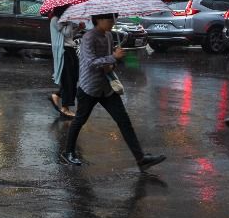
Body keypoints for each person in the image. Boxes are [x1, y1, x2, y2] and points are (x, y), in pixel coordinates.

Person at [59, 13, 165, 171]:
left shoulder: (108, 35)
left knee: (124, 121)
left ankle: (141, 159)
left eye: (114, 19)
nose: (112, 22)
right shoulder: (89, 37)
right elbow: (91, 62)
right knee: (80, 120)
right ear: (98, 20)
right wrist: (112, 57)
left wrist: (114, 60)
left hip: (107, 88)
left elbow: (108, 60)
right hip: (89, 87)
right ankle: (68, 152)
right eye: (109, 20)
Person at [49, 6, 83, 118]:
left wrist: (78, 28)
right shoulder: (56, 20)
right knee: (68, 79)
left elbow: (70, 36)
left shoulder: (64, 20)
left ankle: (57, 95)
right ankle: (65, 108)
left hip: (69, 49)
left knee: (74, 77)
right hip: (63, 51)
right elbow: (67, 33)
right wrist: (68, 21)